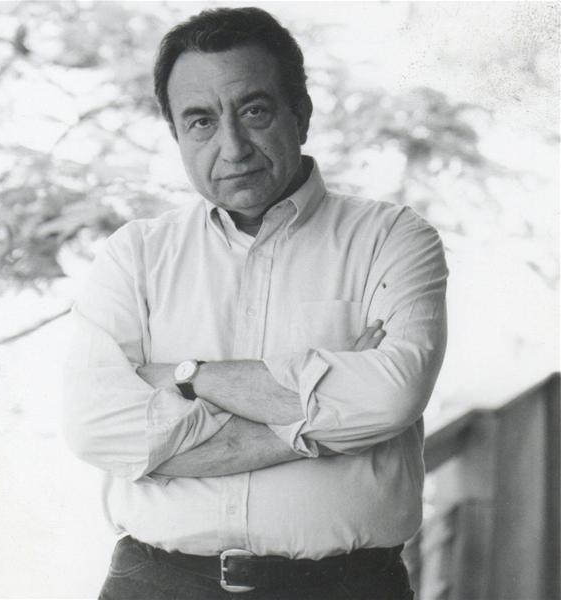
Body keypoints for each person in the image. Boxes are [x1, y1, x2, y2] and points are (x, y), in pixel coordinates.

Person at [63, 6, 447, 600]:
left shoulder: (391, 238)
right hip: (158, 584)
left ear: (301, 113)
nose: (233, 147)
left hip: (342, 588)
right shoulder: (135, 254)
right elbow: (96, 428)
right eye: (201, 121)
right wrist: (325, 421)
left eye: (254, 111)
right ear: (177, 134)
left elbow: (389, 396)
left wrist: (188, 378)